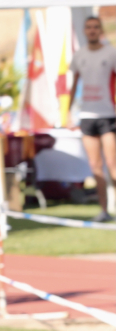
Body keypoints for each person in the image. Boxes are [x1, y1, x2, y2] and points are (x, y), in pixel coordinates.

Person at [68, 16, 116, 222]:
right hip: (86, 116)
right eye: (89, 27)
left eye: (96, 27)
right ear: (84, 31)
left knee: (112, 163)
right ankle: (104, 210)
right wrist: (68, 113)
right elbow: (72, 85)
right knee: (95, 166)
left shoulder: (111, 52)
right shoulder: (79, 55)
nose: (92, 30)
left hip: (108, 115)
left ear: (101, 29)